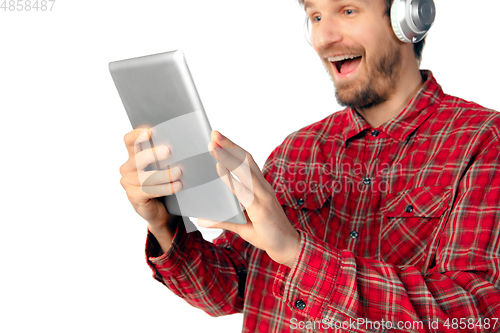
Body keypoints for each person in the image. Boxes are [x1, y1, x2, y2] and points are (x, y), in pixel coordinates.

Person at [119, 0, 500, 331]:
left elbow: (474, 316)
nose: (324, 38)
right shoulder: (297, 149)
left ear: (408, 18)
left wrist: (297, 252)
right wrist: (164, 223)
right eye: (314, 16)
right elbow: (229, 290)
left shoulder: (483, 141)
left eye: (347, 11)